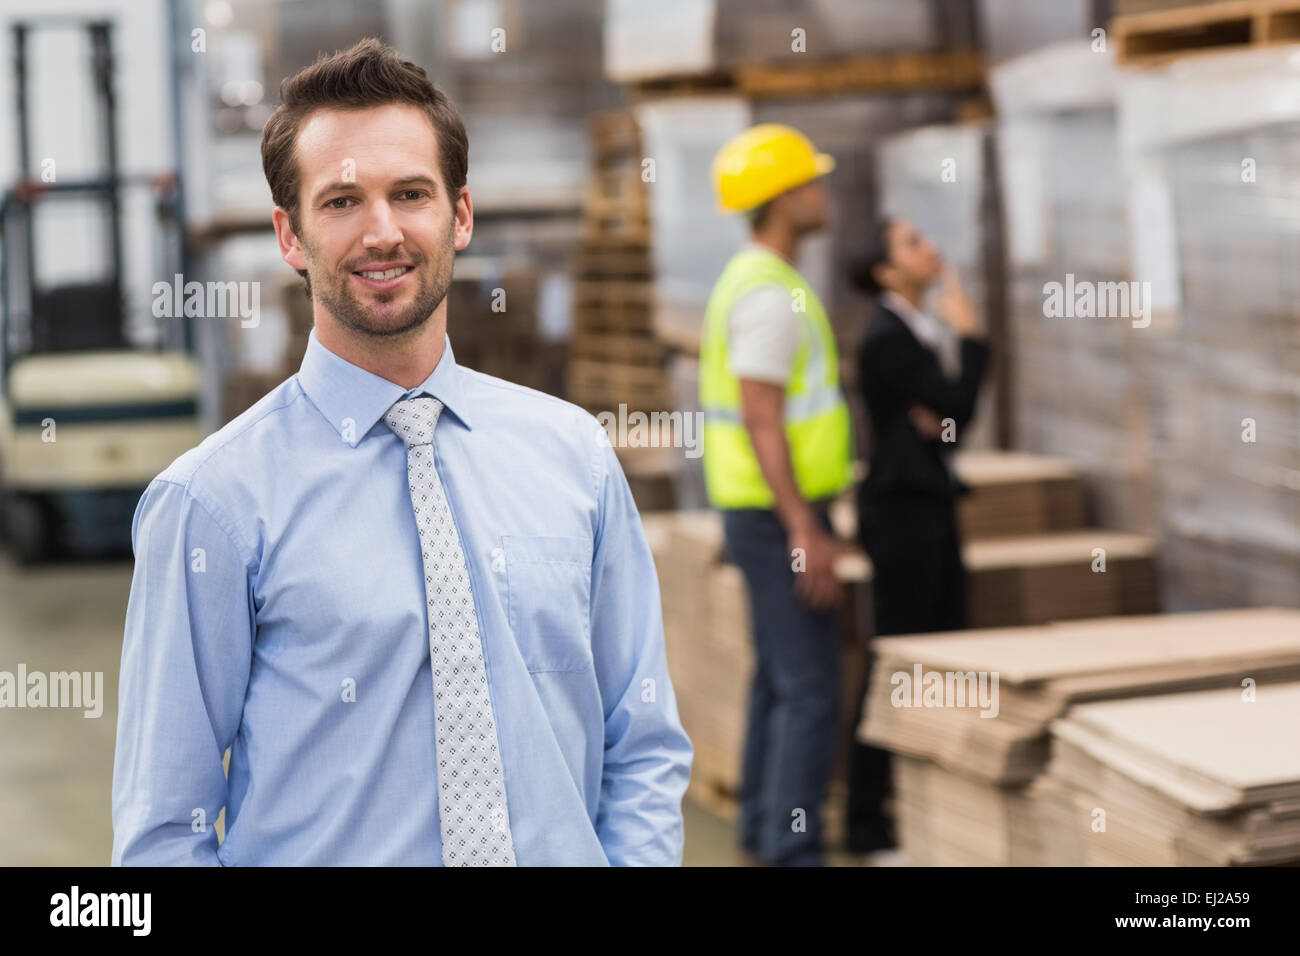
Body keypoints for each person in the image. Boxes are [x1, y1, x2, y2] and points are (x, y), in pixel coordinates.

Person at [111, 38, 692, 867]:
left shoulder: (573, 459)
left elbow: (642, 746)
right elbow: (164, 830)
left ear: (459, 215)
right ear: (290, 233)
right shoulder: (212, 505)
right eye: (342, 201)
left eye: (410, 194)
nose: (382, 232)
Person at [699, 124, 854, 866]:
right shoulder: (768, 296)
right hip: (775, 515)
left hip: (762, 512)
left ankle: (766, 835)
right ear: (783, 199)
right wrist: (804, 528)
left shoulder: (764, 281)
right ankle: (794, 853)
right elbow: (763, 415)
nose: (822, 193)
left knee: (780, 677)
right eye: (811, 182)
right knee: (811, 689)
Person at [845, 217, 990, 856]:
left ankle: (922, 814)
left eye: (927, 236)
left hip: (925, 506)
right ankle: (866, 823)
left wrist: (941, 411)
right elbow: (957, 406)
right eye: (911, 243)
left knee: (940, 655)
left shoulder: (911, 331)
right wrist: (974, 336)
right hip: (902, 516)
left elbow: (946, 416)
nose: (931, 247)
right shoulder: (887, 338)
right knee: (900, 661)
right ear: (885, 272)